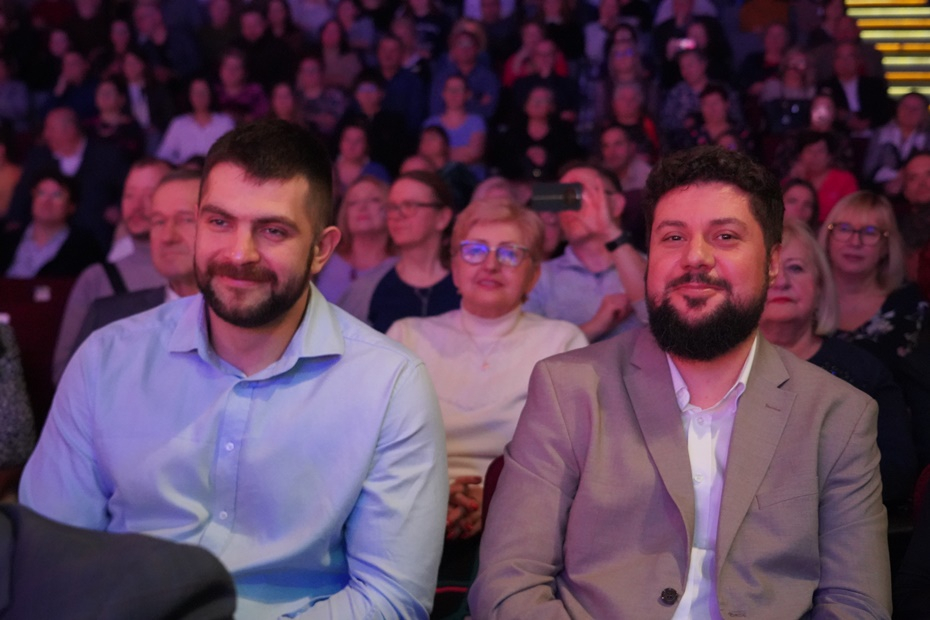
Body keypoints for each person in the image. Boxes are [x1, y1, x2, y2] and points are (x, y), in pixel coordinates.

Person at [20, 119, 447, 619]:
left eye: (273, 230)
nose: (240, 254)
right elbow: (48, 556)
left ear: (322, 249)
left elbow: (390, 598)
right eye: (219, 222)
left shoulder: (389, 385)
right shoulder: (107, 360)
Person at [470, 145, 891, 618]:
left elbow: (857, 604)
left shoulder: (838, 415)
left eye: (725, 236)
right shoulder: (569, 389)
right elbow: (508, 586)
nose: (695, 257)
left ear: (772, 262)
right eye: (673, 237)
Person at [759, 218, 917, 505]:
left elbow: (896, 472)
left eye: (796, 268)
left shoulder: (864, 372)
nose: (781, 281)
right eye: (768, 269)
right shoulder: (717, 372)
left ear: (820, 286)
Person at [51, 158, 172, 383]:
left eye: (150, 194)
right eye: (129, 195)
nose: (137, 205)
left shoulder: (194, 276)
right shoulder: (97, 278)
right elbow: (64, 372)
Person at [74, 169, 201, 348]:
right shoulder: (109, 319)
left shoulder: (239, 319)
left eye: (186, 220)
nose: (168, 237)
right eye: (159, 221)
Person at [525, 163, 647, 342]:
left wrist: (609, 230)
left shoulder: (651, 266)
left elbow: (654, 314)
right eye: (562, 196)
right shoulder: (539, 277)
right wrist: (596, 325)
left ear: (616, 205)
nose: (569, 205)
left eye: (578, 193)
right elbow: (530, 349)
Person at [340, 170, 460, 332]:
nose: (397, 215)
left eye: (409, 205)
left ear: (442, 218)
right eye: (392, 207)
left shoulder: (465, 284)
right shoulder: (367, 289)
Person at [0, 171, 103, 278]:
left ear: (71, 206)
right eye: (41, 193)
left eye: (57, 195)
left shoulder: (85, 247)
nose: (47, 202)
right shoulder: (6, 240)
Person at [315, 175, 396, 304]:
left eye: (374, 200)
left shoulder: (402, 267)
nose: (362, 208)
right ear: (345, 213)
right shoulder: (323, 258)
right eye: (353, 202)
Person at [157, 78, 235, 166]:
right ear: (189, 95)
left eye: (203, 92)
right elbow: (164, 155)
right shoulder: (179, 123)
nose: (200, 96)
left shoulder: (225, 122)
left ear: (211, 94)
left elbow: (232, 153)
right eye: (195, 92)